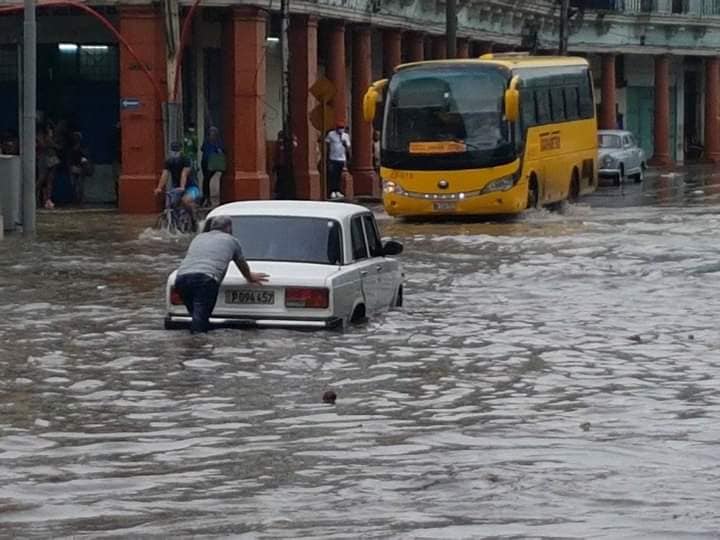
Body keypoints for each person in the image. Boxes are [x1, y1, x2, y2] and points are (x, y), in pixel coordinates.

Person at [174, 215, 269, 333]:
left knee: (197, 318)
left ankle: (195, 345)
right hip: (205, 280)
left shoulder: (198, 238)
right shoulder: (232, 241)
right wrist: (249, 277)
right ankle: (197, 346)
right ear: (229, 228)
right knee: (199, 322)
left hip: (181, 278)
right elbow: (241, 264)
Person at [325, 122, 351, 200]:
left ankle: (337, 191)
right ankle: (332, 191)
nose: (341, 130)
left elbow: (348, 147)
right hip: (333, 158)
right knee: (333, 175)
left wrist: (345, 143)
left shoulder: (345, 136)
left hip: (341, 158)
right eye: (339, 128)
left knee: (339, 175)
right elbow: (327, 144)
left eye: (342, 128)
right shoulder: (331, 134)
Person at [200, 127, 225, 207]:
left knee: (207, 178)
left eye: (213, 132)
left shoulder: (215, 142)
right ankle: (206, 197)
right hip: (207, 161)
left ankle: (207, 197)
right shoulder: (208, 141)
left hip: (212, 160)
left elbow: (220, 151)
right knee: (206, 179)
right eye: (211, 132)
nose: (212, 134)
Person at [274, 130, 298, 199]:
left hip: (287, 164)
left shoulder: (290, 144)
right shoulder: (279, 144)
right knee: (281, 179)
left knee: (285, 178)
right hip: (281, 165)